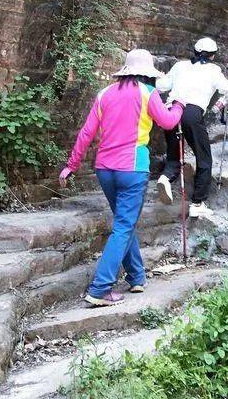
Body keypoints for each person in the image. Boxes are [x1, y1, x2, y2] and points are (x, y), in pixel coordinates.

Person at [59, 49, 184, 307]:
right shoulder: (148, 93)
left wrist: (71, 165)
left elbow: (86, 132)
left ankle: (137, 276)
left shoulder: (104, 94)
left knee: (124, 224)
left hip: (105, 170)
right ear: (147, 73)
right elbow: (169, 122)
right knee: (124, 226)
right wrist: (180, 105)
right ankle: (100, 288)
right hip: (132, 169)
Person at [156, 37, 228, 219]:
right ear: (213, 56)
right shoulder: (214, 70)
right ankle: (198, 202)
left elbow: (161, 86)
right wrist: (224, 97)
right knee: (203, 157)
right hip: (191, 113)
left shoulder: (180, 66)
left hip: (170, 111)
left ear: (195, 51)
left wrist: (159, 76)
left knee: (174, 154)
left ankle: (165, 178)